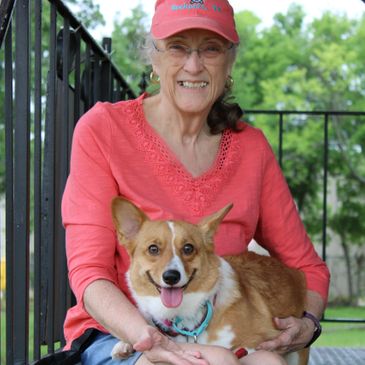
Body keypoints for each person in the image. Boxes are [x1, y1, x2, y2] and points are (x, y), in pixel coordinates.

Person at [61, 0, 330, 364]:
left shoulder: (251, 148)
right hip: (117, 334)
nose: (193, 64)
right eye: (178, 47)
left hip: (218, 332)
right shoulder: (103, 130)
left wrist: (308, 322)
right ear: (153, 57)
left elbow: (308, 268)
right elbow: (88, 273)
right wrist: (149, 339)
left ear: (229, 62)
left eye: (210, 48)